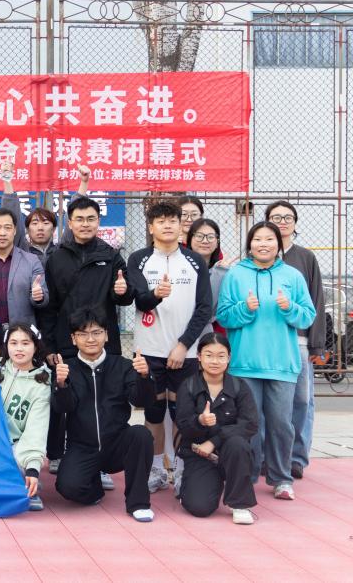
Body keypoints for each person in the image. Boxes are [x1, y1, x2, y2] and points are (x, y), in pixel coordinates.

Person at [216, 221, 316, 500]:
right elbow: (223, 316)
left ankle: (281, 478)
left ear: (278, 244)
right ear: (250, 244)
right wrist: (244, 308)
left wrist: (290, 308)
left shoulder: (293, 276)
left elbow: (307, 316)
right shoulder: (236, 275)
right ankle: (246, 476)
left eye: (269, 239)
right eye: (257, 239)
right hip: (245, 363)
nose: (263, 244)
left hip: (282, 364)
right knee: (249, 424)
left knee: (281, 424)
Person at [126, 201, 212, 497]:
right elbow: (139, 300)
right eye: (160, 221)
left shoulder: (195, 261)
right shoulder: (138, 259)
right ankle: (156, 470)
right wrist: (156, 294)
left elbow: (204, 308)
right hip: (149, 351)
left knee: (181, 414)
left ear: (180, 225)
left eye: (172, 220)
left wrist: (184, 345)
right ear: (151, 227)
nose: (167, 225)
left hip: (184, 353)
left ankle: (180, 470)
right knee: (152, 413)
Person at [52, 307, 156, 522]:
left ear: (107, 335)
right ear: (73, 339)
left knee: (141, 434)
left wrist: (145, 377)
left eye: (97, 332)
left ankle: (138, 503)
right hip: (82, 446)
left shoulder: (124, 365)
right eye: (83, 334)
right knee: (67, 487)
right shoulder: (66, 369)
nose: (91, 339)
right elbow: (63, 407)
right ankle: (95, 488)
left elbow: (141, 401)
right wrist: (61, 385)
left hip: (117, 443)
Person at [264, 200, 327, 480]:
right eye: (276, 217)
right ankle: (266, 456)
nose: (282, 222)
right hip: (265, 341)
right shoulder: (258, 255)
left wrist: (316, 343)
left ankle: (297, 458)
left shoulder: (305, 258)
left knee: (301, 401)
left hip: (298, 341)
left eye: (287, 217)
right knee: (266, 402)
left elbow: (316, 300)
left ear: (295, 223)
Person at [175, 333, 258, 525]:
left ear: (229, 358)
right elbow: (183, 425)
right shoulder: (188, 386)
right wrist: (200, 421)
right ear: (199, 356)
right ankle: (196, 484)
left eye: (221, 356)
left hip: (231, 452)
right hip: (200, 454)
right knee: (199, 507)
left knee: (238, 444)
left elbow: (250, 424)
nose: (215, 361)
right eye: (209, 355)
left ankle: (239, 504)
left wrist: (214, 441)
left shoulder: (239, 386)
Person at [38, 196, 134, 360]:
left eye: (90, 219)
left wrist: (122, 291)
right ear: (70, 223)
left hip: (104, 342)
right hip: (67, 343)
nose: (85, 224)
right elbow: (49, 309)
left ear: (98, 221)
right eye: (79, 219)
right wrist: (49, 348)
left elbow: (126, 299)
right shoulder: (56, 258)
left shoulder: (112, 256)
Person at [0, 324, 51, 511]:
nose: (19, 348)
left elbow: (36, 428)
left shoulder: (42, 383)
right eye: (13, 343)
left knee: (14, 462)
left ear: (35, 346)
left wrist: (32, 468)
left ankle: (26, 481)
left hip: (14, 446)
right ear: (6, 345)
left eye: (25, 343)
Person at [0, 207, 48, 351]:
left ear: (14, 231)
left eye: (7, 227)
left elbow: (43, 298)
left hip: (22, 335)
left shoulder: (32, 261)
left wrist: (38, 296)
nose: (2, 233)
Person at [0, 162, 90, 258]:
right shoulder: (21, 252)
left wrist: (84, 183)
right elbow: (11, 216)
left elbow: (75, 218)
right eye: (35, 223)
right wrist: (7, 179)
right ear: (27, 230)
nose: (40, 228)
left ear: (53, 229)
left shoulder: (63, 251)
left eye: (46, 223)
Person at [187, 218, 230, 335]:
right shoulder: (181, 267)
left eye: (210, 237)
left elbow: (210, 308)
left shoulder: (224, 271)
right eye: (199, 236)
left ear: (217, 242)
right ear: (190, 239)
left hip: (214, 334)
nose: (205, 241)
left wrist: (220, 273)